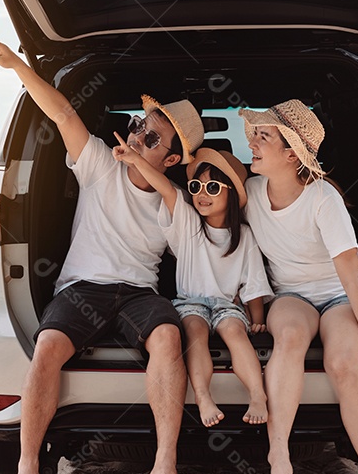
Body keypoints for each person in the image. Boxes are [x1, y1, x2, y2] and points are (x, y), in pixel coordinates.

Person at [0, 28, 204, 474]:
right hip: (83, 288)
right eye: (139, 126)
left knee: (167, 339)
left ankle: (164, 459)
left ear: (169, 159)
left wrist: (146, 169)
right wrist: (18, 67)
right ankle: (28, 466)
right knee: (46, 349)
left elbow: (184, 213)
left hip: (139, 294)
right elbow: (62, 112)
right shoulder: (100, 163)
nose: (137, 136)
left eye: (152, 138)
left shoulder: (175, 202)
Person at [239, 100, 358, 474]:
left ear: (292, 153)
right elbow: (203, 172)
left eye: (264, 136)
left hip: (341, 292)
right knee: (288, 338)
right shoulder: (249, 191)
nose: (253, 141)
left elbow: (350, 274)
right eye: (255, 134)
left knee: (345, 363)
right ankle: (279, 454)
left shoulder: (323, 198)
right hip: (291, 295)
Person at [113, 140, 272, 428]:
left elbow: (254, 285)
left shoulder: (244, 236)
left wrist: (257, 322)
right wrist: (136, 161)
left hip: (227, 306)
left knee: (236, 333)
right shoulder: (187, 223)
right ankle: (202, 396)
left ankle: (258, 395)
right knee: (195, 334)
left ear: (231, 196)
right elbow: (165, 188)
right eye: (196, 187)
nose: (201, 195)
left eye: (212, 188)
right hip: (190, 304)